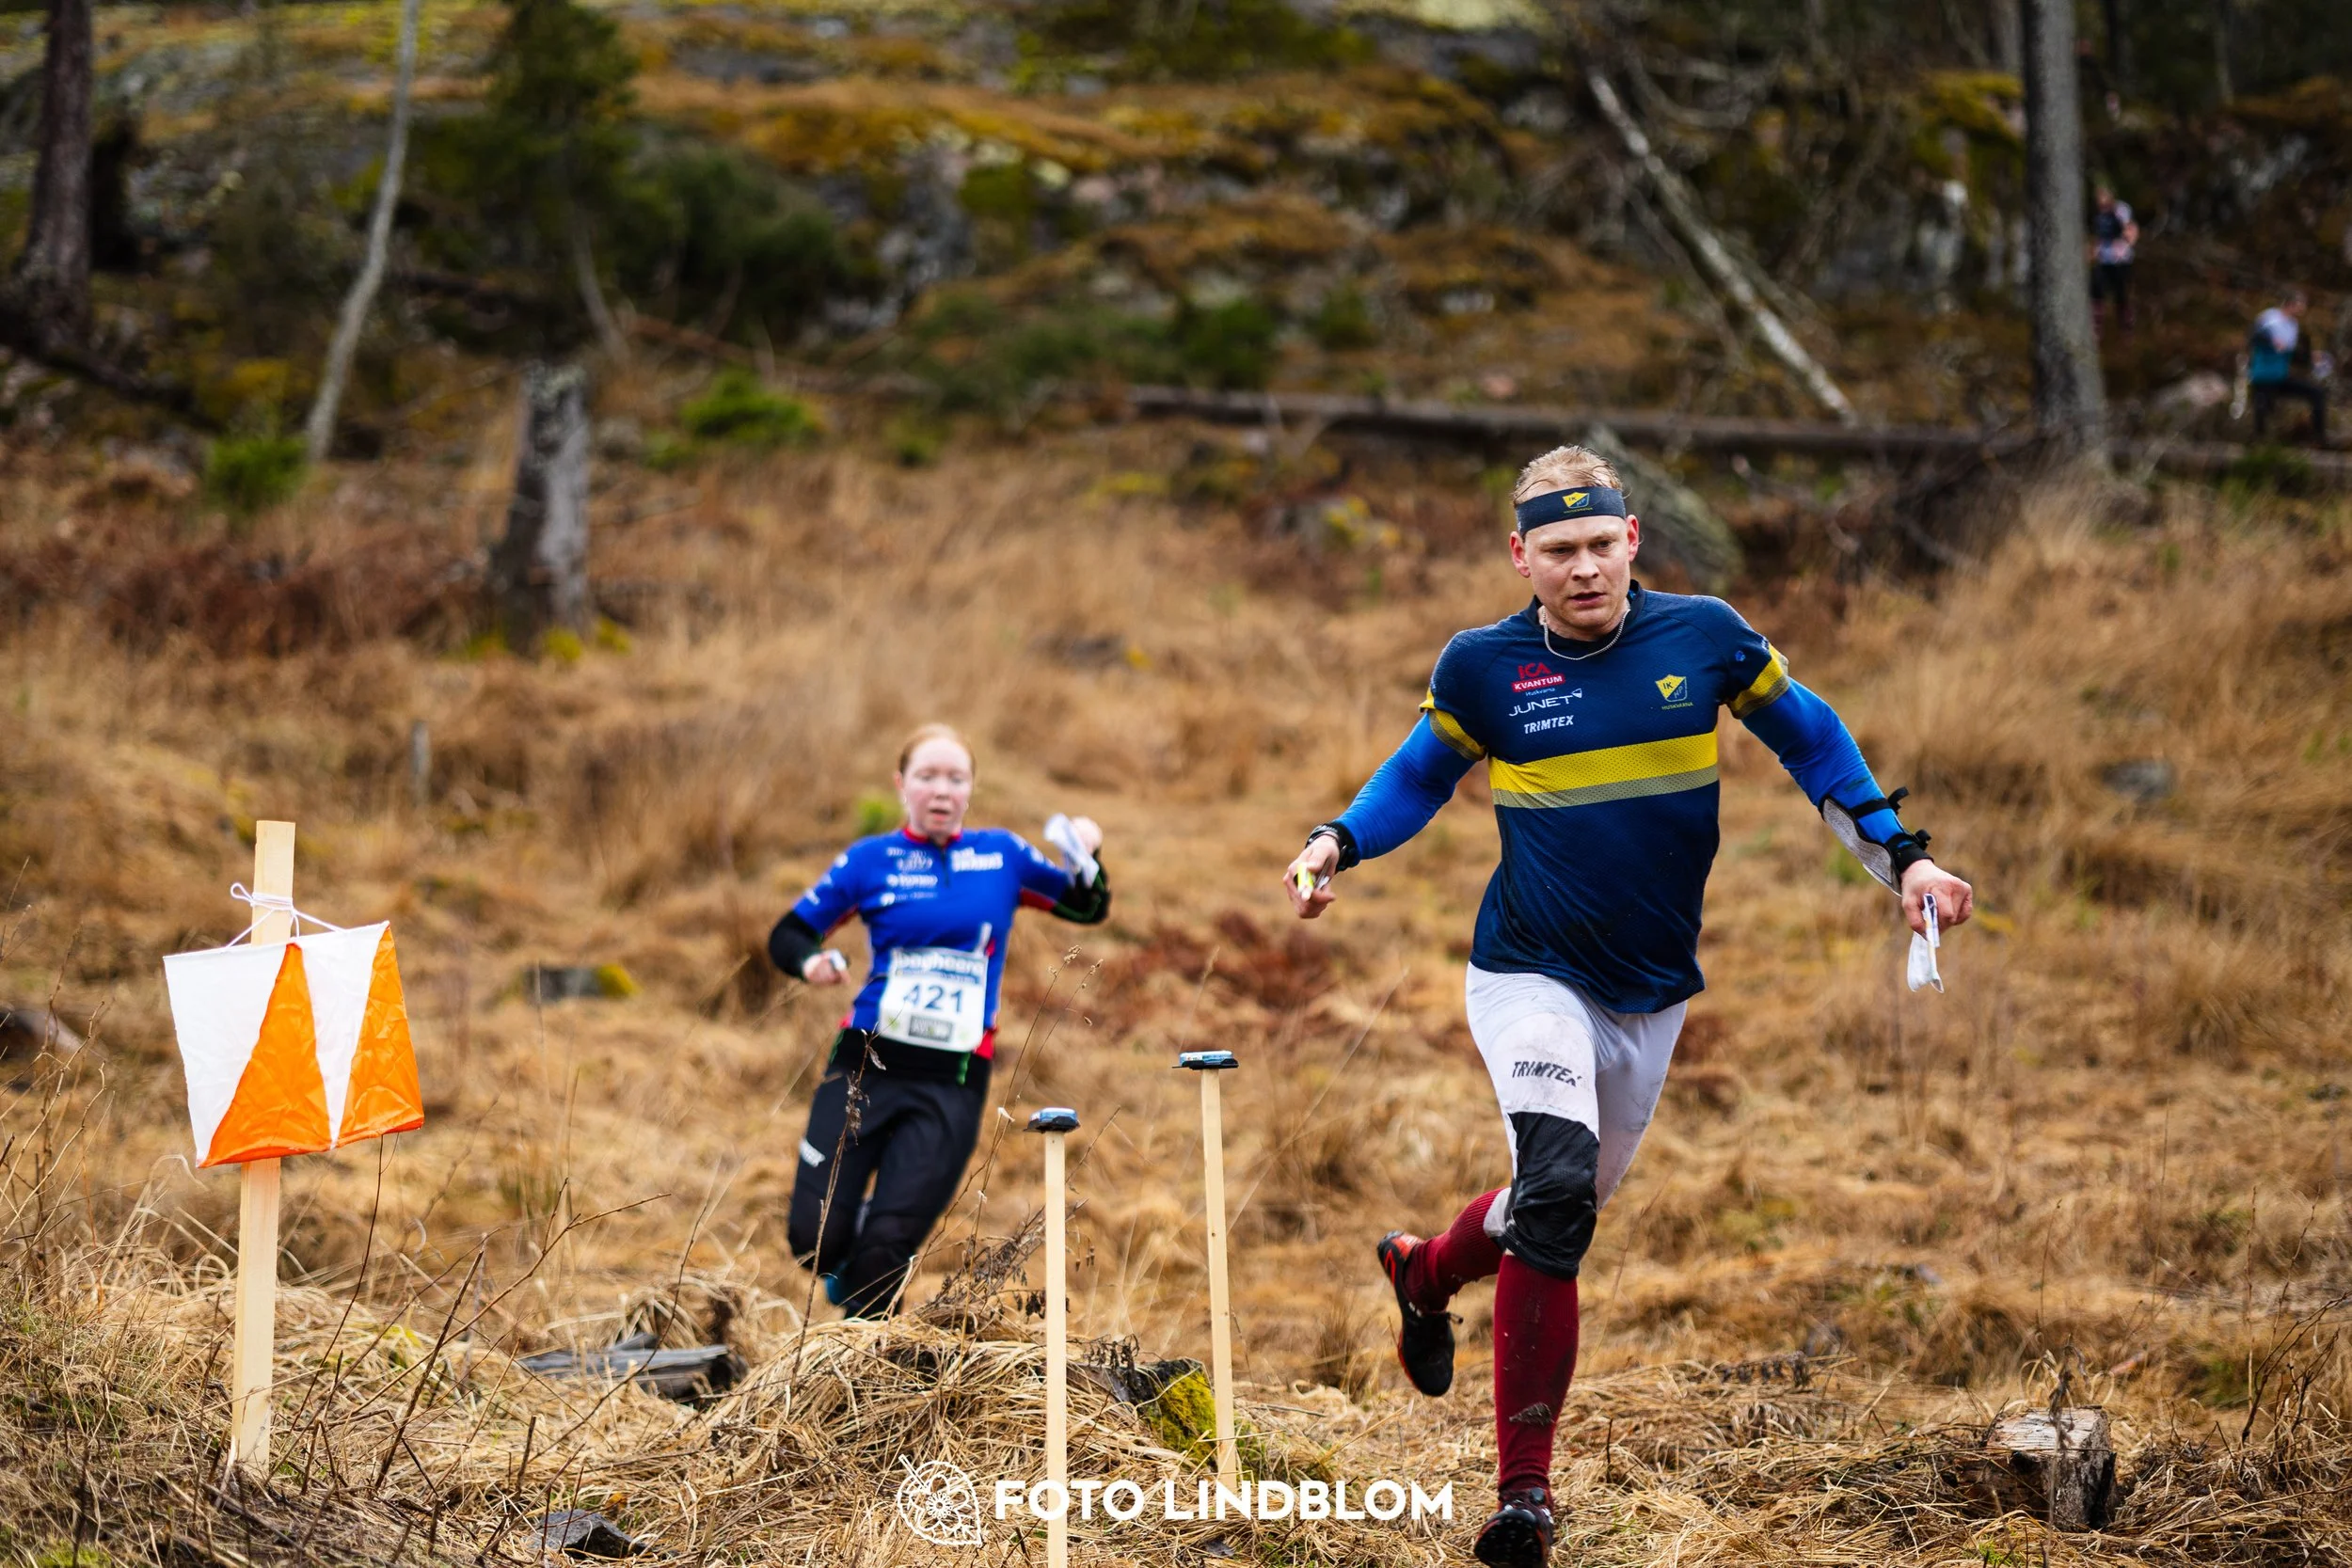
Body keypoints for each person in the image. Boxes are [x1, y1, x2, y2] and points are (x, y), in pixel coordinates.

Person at [1281, 447, 1974, 1568]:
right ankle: (1523, 1496)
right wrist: (1335, 842)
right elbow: (1415, 775)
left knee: (1549, 1212)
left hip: (1651, 992)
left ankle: (1423, 1268)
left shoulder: (1705, 637)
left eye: (1601, 544)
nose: (1584, 568)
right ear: (1521, 556)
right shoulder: (1483, 666)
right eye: (1559, 549)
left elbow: (1810, 738)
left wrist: (1908, 860)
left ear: (1633, 539)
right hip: (1528, 971)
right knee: (1556, 1190)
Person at [768, 723, 1110, 1317]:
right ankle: (852, 1247)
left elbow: (1087, 905)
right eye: (927, 776)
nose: (942, 790)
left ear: (971, 788)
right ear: (902, 785)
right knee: (813, 1238)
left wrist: (1088, 851)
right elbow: (789, 932)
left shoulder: (1002, 855)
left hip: (953, 1079)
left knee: (885, 1252)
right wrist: (811, 962)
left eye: (956, 778)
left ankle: (862, 1360)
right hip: (865, 1063)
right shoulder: (870, 860)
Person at [2248, 290, 2330, 445]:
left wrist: (2311, 357)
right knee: (2263, 406)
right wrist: (2271, 341)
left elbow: (2291, 354)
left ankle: (2320, 438)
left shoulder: (2293, 325)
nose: (2302, 309)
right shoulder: (2270, 317)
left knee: (2317, 393)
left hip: (2280, 376)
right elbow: (2254, 336)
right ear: (2290, 304)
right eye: (2300, 305)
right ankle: (2259, 443)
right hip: (2264, 376)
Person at [2088, 185, 2138, 333]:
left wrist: (2124, 242)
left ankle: (2126, 328)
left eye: (2102, 195)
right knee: (2096, 292)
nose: (2100, 199)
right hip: (2102, 259)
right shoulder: (2097, 213)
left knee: (2121, 294)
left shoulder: (2120, 209)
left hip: (2120, 260)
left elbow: (2131, 230)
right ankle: (2096, 329)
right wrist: (2092, 251)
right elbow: (2095, 235)